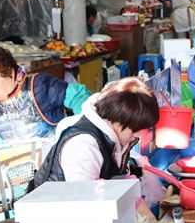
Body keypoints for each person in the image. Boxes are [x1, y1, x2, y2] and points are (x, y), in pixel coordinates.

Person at [27, 77, 159, 188]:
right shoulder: (83, 145)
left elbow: (123, 185)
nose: (138, 135)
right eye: (135, 129)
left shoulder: (117, 136)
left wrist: (148, 218)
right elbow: (86, 198)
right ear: (118, 119)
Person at [0, 46, 91, 150]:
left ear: (11, 73)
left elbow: (78, 97)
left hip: (52, 160)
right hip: (17, 169)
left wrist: (84, 128)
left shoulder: (39, 85)